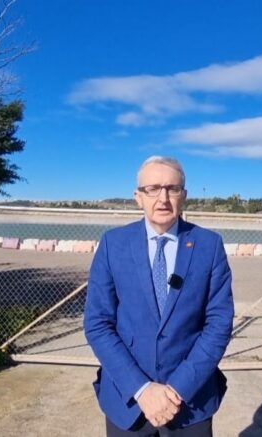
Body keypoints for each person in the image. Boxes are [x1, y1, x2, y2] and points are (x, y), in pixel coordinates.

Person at [84, 156, 234, 436]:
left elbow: (219, 324)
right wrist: (142, 389)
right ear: (138, 197)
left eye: (172, 189)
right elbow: (97, 323)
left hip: (190, 403)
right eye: (152, 189)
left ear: (184, 196)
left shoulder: (209, 245)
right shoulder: (112, 244)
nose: (163, 198)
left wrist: (178, 388)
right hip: (127, 401)